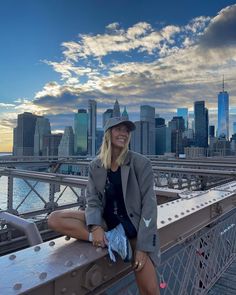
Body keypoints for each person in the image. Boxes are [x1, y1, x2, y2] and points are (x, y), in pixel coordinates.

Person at [48, 117, 161, 295]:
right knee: (55, 219)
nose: (123, 133)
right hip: (108, 223)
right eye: (118, 129)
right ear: (108, 134)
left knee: (150, 290)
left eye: (126, 130)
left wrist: (143, 247)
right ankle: (111, 240)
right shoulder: (96, 166)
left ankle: (117, 241)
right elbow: (92, 200)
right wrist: (95, 227)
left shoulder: (140, 163)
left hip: (133, 230)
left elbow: (149, 205)